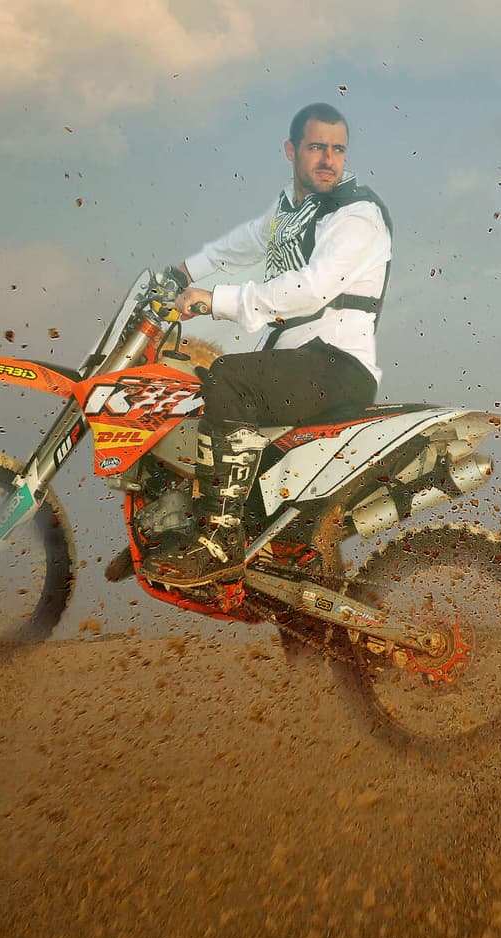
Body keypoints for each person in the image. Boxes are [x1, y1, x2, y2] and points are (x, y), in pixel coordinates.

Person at [145, 101, 392, 587]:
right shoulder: (292, 209)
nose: (328, 159)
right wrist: (184, 272)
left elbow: (311, 288)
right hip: (301, 361)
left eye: (338, 149)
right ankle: (176, 526)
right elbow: (244, 243)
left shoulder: (355, 215)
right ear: (291, 151)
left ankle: (219, 540)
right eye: (317, 147)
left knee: (228, 378)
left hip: (337, 366)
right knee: (193, 397)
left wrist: (214, 300)